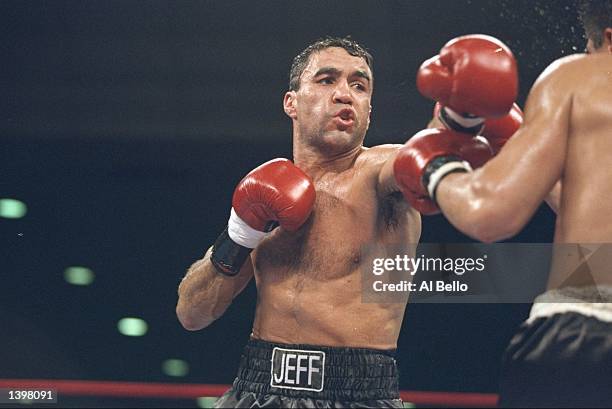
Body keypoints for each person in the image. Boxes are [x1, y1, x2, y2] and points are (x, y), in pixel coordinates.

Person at [176, 37, 424, 408]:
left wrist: (458, 122)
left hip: (356, 395)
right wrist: (241, 233)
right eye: (327, 80)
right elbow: (191, 314)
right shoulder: (267, 193)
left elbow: (421, 158)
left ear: (369, 112)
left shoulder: (378, 175)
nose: (345, 94)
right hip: (255, 389)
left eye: (359, 85)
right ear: (291, 102)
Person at [394, 0, 612, 406]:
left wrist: (434, 165)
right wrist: (516, 145)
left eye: (589, 47)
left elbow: (490, 213)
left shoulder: (580, 77)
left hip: (588, 337)